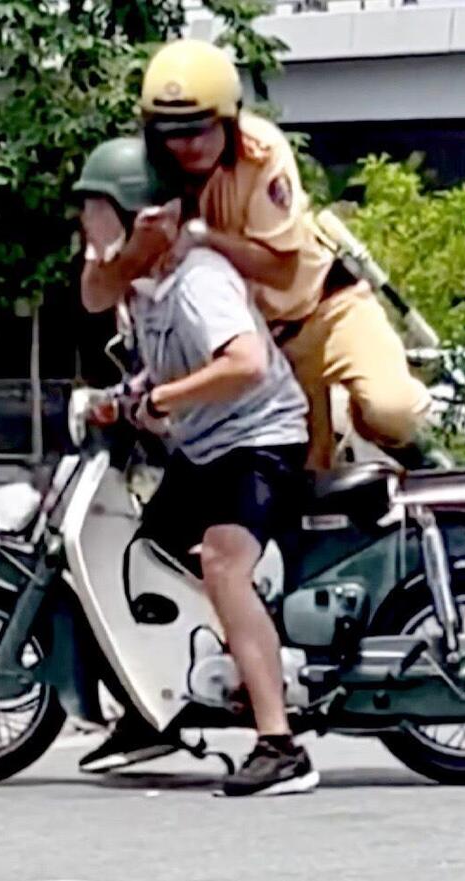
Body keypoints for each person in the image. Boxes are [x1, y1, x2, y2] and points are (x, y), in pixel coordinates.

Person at [75, 136, 319, 797]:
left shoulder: (199, 280)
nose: (86, 225)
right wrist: (131, 395)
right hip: (205, 445)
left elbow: (245, 363)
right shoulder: (144, 280)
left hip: (259, 441)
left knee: (222, 564)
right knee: (141, 558)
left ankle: (280, 745)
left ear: (142, 214)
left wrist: (162, 400)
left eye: (97, 209)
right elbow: (94, 295)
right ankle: (156, 709)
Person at [82, 38, 433, 472]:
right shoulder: (136, 173)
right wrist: (135, 250)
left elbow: (283, 272)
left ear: (230, 120)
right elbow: (95, 296)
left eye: (202, 127)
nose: (189, 144)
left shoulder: (260, 151)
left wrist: (203, 238)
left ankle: (391, 442)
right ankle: (329, 442)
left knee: (391, 412)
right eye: (172, 132)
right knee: (299, 481)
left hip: (323, 307)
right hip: (263, 349)